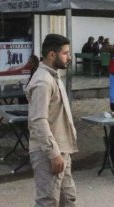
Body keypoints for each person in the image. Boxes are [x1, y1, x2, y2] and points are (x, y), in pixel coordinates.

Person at [26, 34, 78, 207]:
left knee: (68, 199)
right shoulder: (43, 81)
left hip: (62, 149)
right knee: (48, 201)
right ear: (51, 55)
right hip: (48, 152)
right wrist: (53, 153)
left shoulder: (53, 76)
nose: (69, 57)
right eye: (65, 53)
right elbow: (39, 121)